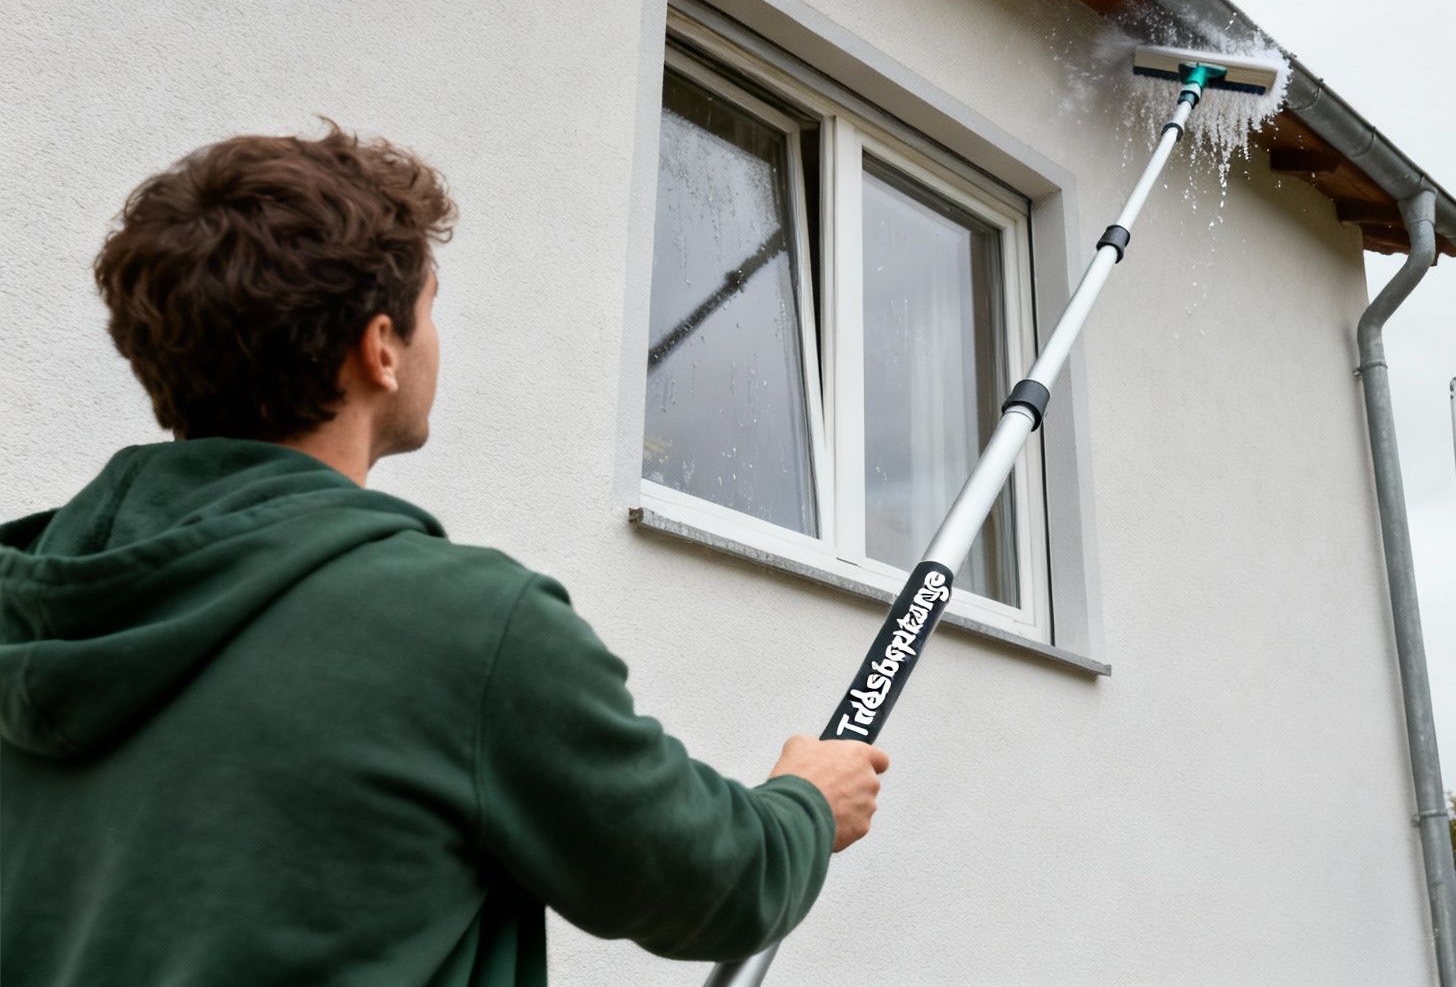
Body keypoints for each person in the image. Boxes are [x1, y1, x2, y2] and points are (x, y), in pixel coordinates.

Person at [0, 123, 890, 985]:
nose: (435, 342)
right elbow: (709, 886)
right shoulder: (468, 631)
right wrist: (807, 804)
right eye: (428, 312)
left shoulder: (25, 610)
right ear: (379, 348)